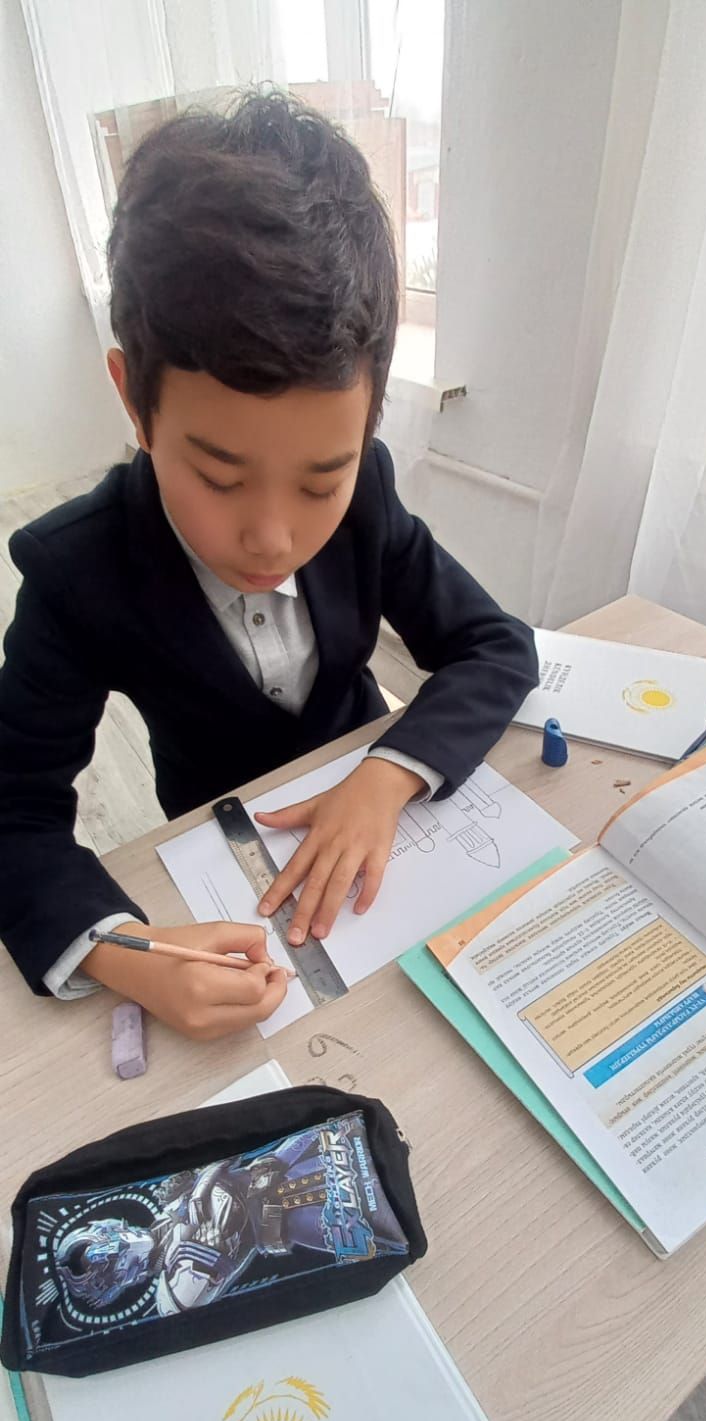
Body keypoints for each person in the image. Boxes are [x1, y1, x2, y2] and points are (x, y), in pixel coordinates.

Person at [0, 92, 537, 1041]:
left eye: (320, 480)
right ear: (134, 402)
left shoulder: (368, 495)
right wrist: (123, 952)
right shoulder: (77, 571)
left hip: (381, 824)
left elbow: (493, 645)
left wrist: (387, 774)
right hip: (215, 851)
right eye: (219, 476)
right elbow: (13, 809)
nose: (273, 539)